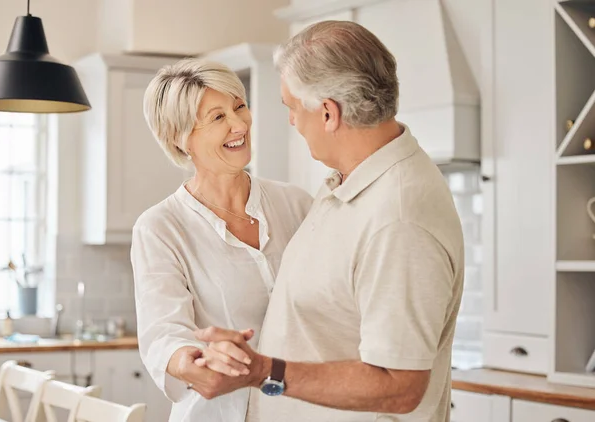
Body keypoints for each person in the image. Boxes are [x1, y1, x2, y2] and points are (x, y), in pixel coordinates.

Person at [179, 20, 466, 422]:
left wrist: (264, 371)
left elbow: (400, 387)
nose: (292, 121)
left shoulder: (398, 218)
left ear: (329, 113)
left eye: (292, 107)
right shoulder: (347, 185)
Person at [130, 58, 313, 422]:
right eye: (217, 118)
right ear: (180, 139)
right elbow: (163, 333)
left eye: (239, 106)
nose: (239, 124)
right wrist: (192, 360)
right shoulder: (160, 227)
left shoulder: (297, 205)